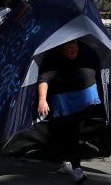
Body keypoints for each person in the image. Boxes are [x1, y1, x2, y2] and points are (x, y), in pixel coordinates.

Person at [37, 39, 101, 183]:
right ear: (62, 49)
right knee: (71, 135)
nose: (73, 50)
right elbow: (43, 81)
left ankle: (66, 160)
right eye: (70, 47)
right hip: (65, 104)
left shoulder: (87, 53)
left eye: (75, 47)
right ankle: (76, 168)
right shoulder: (54, 60)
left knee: (72, 135)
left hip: (86, 102)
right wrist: (42, 100)